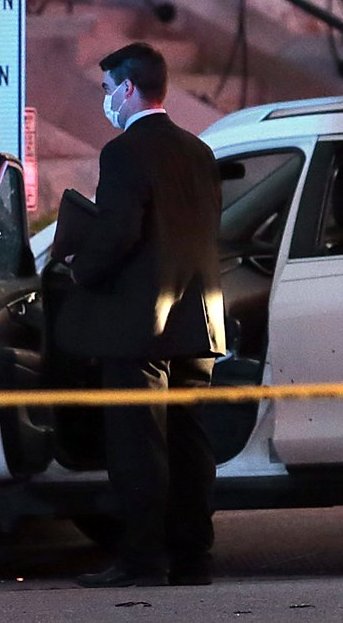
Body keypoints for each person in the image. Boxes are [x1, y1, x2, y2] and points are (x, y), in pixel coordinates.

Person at [57, 42, 226, 588]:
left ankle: (143, 560)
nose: (106, 100)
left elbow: (120, 233)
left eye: (108, 90)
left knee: (140, 447)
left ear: (128, 89)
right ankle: (194, 558)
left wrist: (79, 268)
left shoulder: (124, 153)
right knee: (190, 443)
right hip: (200, 320)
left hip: (140, 327)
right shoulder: (199, 152)